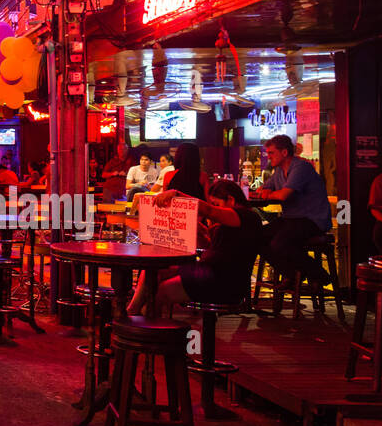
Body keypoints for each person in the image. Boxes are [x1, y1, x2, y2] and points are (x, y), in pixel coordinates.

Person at [127, 180, 263, 314]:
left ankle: (150, 325)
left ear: (231, 200)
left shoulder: (248, 217)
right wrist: (196, 229)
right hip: (208, 270)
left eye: (217, 204)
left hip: (223, 280)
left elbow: (210, 211)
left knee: (164, 290)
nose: (216, 207)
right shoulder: (231, 222)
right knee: (153, 270)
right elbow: (211, 247)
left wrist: (178, 195)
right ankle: (134, 310)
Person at [256, 134, 332, 304]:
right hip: (292, 219)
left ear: (284, 152)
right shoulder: (278, 172)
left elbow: (284, 195)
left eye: (271, 153)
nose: (269, 157)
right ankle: (291, 273)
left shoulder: (301, 167)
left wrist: (269, 193)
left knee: (279, 242)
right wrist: (265, 191)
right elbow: (262, 190)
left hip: (313, 219)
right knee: (256, 237)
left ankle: (319, 274)